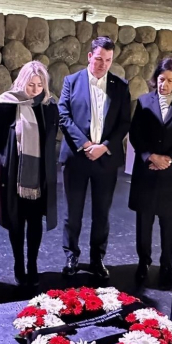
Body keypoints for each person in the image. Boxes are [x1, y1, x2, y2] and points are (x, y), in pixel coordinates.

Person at [58, 36, 131, 280]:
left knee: (102, 212)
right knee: (73, 211)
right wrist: (86, 144)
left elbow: (123, 122)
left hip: (105, 159)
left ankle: (97, 258)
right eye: (99, 59)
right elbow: (63, 115)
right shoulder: (71, 81)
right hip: (77, 158)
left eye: (108, 60)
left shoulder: (120, 86)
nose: (102, 64)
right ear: (90, 56)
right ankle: (71, 255)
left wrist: (106, 146)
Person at [0, 61, 58, 289]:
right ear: (22, 83)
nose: (35, 90)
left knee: (35, 222)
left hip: (39, 177)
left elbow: (51, 139)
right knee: (16, 222)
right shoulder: (8, 104)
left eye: (39, 85)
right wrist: (14, 155)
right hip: (13, 174)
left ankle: (33, 265)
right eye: (30, 85)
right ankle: (19, 265)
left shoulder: (49, 106)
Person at [128, 57, 172, 289]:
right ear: (155, 79)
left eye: (169, 80)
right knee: (144, 221)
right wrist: (151, 156)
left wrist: (170, 157)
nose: (164, 85)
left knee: (169, 222)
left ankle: (168, 264)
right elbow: (136, 134)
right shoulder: (144, 101)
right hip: (147, 171)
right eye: (161, 79)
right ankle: (143, 262)